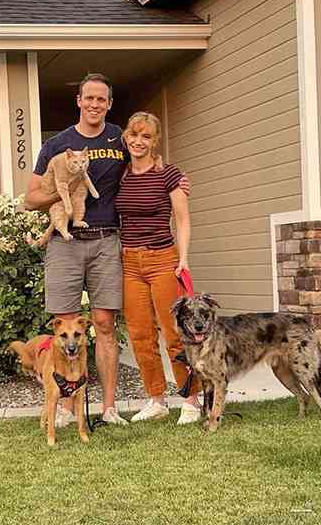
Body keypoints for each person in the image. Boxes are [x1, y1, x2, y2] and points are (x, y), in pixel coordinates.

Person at [25, 73, 128, 426]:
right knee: (66, 327)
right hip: (65, 243)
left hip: (106, 239)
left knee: (105, 323)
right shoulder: (57, 144)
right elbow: (30, 198)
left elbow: (144, 164)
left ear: (109, 104)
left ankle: (109, 408)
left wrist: (169, 176)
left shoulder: (120, 139)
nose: (95, 104)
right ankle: (67, 409)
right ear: (79, 101)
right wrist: (63, 192)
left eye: (101, 99)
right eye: (89, 98)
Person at [115, 111, 202, 425]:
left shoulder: (169, 174)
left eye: (146, 136)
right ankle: (156, 400)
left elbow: (183, 219)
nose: (138, 141)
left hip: (163, 259)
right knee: (140, 335)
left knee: (175, 333)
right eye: (134, 134)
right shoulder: (120, 174)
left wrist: (183, 258)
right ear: (126, 137)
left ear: (155, 141)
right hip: (129, 263)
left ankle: (191, 400)